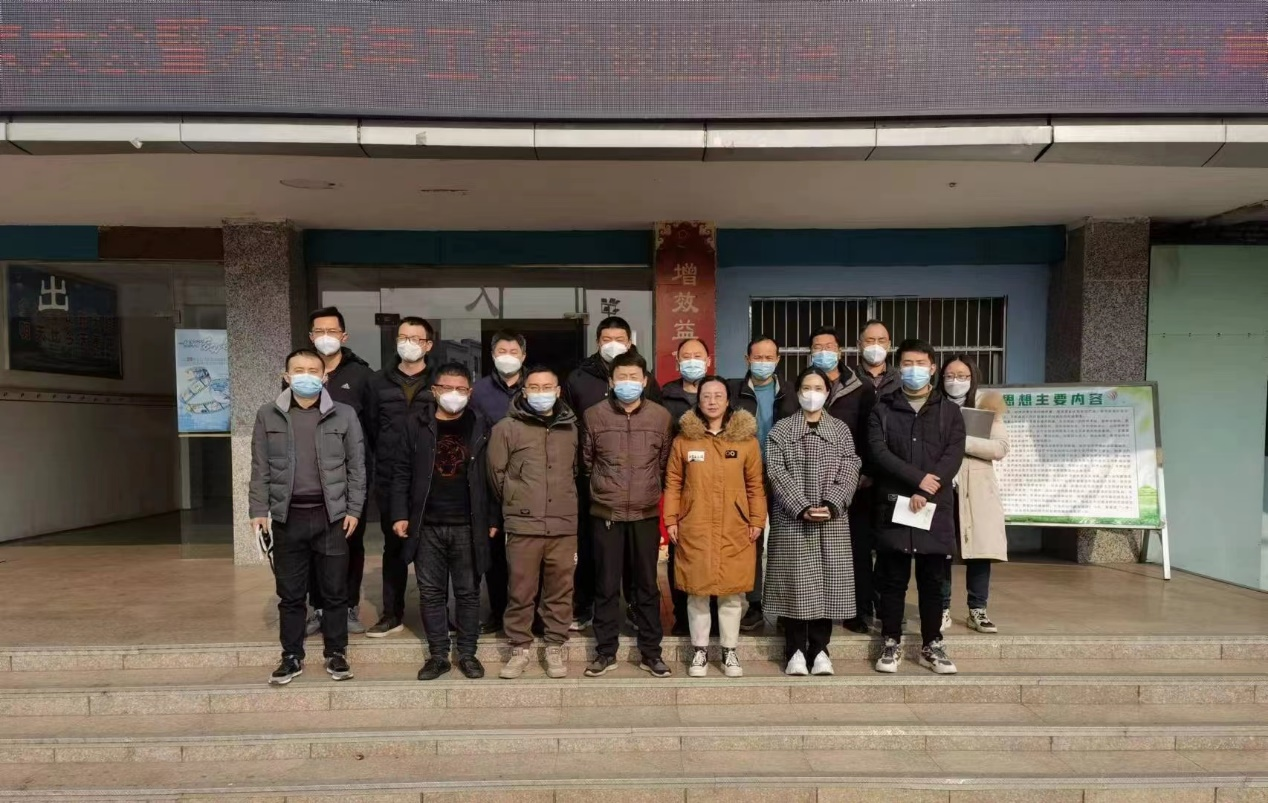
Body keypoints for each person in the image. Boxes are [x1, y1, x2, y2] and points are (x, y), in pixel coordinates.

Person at [250, 348, 365, 686]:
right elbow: (260, 467)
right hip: (288, 518)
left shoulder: (344, 414)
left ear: (324, 377)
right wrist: (258, 510)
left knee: (335, 591)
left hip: (331, 516)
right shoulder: (268, 414)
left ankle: (337, 652)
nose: (306, 376)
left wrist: (354, 509)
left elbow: (357, 467)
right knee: (290, 593)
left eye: (313, 370)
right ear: (286, 376)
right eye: (298, 370)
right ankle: (291, 655)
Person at [389, 363, 495, 681]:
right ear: (434, 390)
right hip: (427, 524)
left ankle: (467, 653)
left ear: (470, 392)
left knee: (468, 592)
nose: (454, 394)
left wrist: (492, 517)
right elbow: (401, 471)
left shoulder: (481, 424)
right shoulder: (416, 424)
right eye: (447, 388)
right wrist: (400, 513)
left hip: (468, 523)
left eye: (461, 389)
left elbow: (492, 476)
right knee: (431, 592)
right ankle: (438, 656)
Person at [868, 339, 966, 676]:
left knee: (932, 581)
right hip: (896, 504)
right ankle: (891, 641)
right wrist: (917, 480)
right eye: (907, 363)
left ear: (933, 368)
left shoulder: (949, 411)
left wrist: (928, 487)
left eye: (921, 363)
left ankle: (932, 644)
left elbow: (953, 454)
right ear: (899, 368)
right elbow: (878, 452)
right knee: (892, 580)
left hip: (933, 505)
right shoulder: (883, 408)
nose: (914, 370)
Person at [663, 377, 767, 679]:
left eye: (718, 396)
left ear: (728, 400)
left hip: (735, 526)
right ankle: (699, 651)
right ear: (698, 400)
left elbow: (755, 485)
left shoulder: (746, 441)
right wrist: (671, 519)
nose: (712, 401)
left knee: (731, 593)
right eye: (706, 396)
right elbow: (673, 483)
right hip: (694, 525)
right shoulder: (684, 440)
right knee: (696, 592)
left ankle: (729, 650)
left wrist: (756, 520)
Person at [564, 316, 662, 631]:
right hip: (596, 483)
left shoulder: (647, 379)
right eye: (606, 339)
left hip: (639, 486)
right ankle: (585, 605)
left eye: (619, 338)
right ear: (597, 342)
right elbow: (576, 434)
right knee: (592, 550)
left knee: (637, 558)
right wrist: (590, 475)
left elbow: (659, 436)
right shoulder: (579, 378)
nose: (613, 344)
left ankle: (634, 608)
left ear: (630, 342)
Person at [764, 366, 862, 677]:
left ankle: (820, 649)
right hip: (793, 520)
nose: (812, 394)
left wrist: (832, 503)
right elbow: (776, 471)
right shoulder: (781, 430)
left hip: (832, 521)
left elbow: (850, 467)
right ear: (797, 392)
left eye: (818, 388)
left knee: (828, 584)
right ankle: (794, 650)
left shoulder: (841, 430)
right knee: (795, 583)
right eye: (806, 387)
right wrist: (802, 506)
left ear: (828, 393)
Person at [581, 351, 673, 679]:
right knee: (606, 585)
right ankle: (605, 651)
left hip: (645, 513)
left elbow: (663, 464)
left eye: (634, 377)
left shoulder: (661, 417)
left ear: (645, 381)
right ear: (611, 381)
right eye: (622, 377)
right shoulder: (594, 415)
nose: (628, 383)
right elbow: (587, 462)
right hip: (606, 512)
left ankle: (651, 652)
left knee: (647, 586)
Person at [488, 367, 580, 680]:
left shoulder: (571, 428)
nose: (541, 393)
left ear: (558, 391)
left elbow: (577, 471)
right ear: (524, 391)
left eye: (547, 387)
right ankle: (519, 647)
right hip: (523, 524)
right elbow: (496, 474)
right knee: (521, 588)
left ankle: (555, 645)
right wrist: (518, 499)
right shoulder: (507, 428)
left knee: (561, 588)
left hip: (563, 524)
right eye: (534, 387)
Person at [305, 306, 374, 637]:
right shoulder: (303, 372)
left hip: (348, 479)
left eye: (331, 331)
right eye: (319, 331)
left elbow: (372, 429)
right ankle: (318, 608)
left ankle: (347, 606)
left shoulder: (361, 375)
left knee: (349, 543)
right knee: (312, 544)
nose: (325, 337)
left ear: (344, 336)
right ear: (310, 337)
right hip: (308, 478)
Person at [365, 317, 435, 638]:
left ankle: (437, 614)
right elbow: (371, 429)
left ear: (428, 345)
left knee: (432, 549)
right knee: (393, 548)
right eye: (403, 337)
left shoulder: (439, 381)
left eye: (416, 338)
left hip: (430, 479)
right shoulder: (377, 382)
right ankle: (392, 614)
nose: (409, 343)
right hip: (391, 479)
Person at [807, 326, 878, 635]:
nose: (823, 352)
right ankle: (808, 609)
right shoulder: (805, 386)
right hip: (813, 483)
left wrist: (866, 472)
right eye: (817, 347)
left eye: (829, 346)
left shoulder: (861, 389)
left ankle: (858, 610)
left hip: (855, 483)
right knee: (812, 550)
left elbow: (871, 434)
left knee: (856, 549)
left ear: (840, 351)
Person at [727, 336, 795, 632]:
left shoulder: (792, 392)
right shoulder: (734, 392)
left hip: (784, 473)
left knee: (784, 540)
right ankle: (754, 603)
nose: (763, 363)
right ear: (747, 359)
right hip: (746, 475)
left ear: (778, 360)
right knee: (750, 538)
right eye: (758, 357)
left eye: (769, 358)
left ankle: (784, 606)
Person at [940, 355, 1009, 634]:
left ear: (972, 377)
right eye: (949, 375)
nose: (955, 381)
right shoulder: (933, 405)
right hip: (942, 489)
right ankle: (941, 607)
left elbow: (1000, 447)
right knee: (940, 552)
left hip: (976, 490)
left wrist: (961, 441)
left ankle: (977, 609)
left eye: (962, 375)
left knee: (980, 552)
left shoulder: (986, 405)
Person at [470, 330, 527, 635]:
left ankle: (528, 612)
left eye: (513, 351)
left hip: (529, 482)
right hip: (489, 480)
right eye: (501, 351)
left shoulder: (535, 387)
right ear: (492, 355)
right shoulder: (478, 392)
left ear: (523, 356)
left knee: (527, 553)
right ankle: (497, 610)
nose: (507, 356)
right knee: (493, 552)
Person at [660, 338, 712, 636]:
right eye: (686, 356)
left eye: (698, 355)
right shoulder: (665, 396)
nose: (692, 361)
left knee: (713, 552)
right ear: (677, 360)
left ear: (708, 360)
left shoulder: (720, 392)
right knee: (680, 551)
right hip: (679, 485)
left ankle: (712, 617)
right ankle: (681, 615)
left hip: (714, 486)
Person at [855, 319, 901, 397]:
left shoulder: (900, 379)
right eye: (870, 341)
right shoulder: (849, 379)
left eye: (881, 341)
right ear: (859, 345)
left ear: (889, 345)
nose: (876, 345)